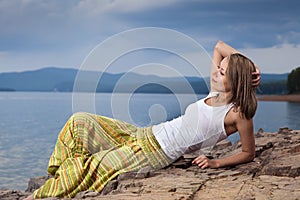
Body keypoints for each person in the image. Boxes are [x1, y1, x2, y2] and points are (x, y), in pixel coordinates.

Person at [25, 40, 260, 199]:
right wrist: (252, 67)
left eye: (222, 71)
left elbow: (248, 153)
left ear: (236, 79)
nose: (215, 72)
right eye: (218, 68)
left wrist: (215, 163)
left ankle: (43, 194)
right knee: (79, 122)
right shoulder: (215, 92)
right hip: (144, 134)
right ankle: (61, 176)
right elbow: (219, 45)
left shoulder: (237, 113)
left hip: (154, 153)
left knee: (93, 166)